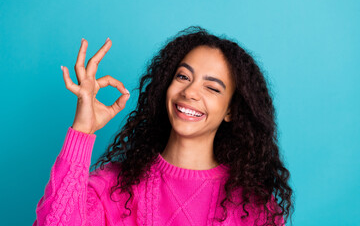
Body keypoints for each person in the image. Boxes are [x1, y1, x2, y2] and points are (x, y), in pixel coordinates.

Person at [34, 26, 293, 226]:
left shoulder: (254, 207)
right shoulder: (114, 187)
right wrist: (81, 132)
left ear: (231, 111)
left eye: (212, 88)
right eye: (183, 76)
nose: (190, 91)